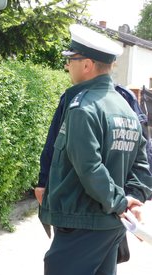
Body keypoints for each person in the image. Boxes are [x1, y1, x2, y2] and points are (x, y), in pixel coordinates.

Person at [39, 24, 152, 275]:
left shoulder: (83, 107)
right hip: (109, 225)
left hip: (83, 222)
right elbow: (142, 166)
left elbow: (90, 168)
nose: (68, 66)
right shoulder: (125, 108)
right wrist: (133, 198)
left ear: (87, 65)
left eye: (72, 60)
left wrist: (122, 202)